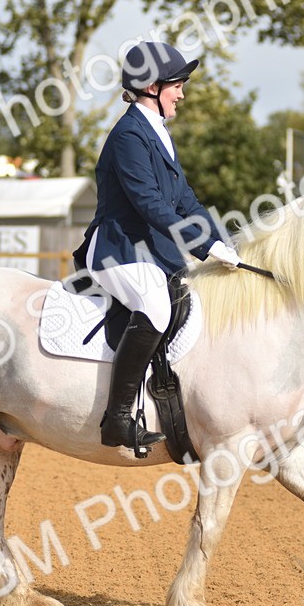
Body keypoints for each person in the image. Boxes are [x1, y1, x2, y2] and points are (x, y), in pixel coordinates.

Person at [73, 41, 242, 451]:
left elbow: (185, 200)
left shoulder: (158, 133)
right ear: (151, 85)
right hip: (118, 249)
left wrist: (222, 242)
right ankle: (117, 418)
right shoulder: (128, 136)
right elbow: (148, 203)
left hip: (150, 250)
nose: (182, 92)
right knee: (154, 305)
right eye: (177, 84)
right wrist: (203, 246)